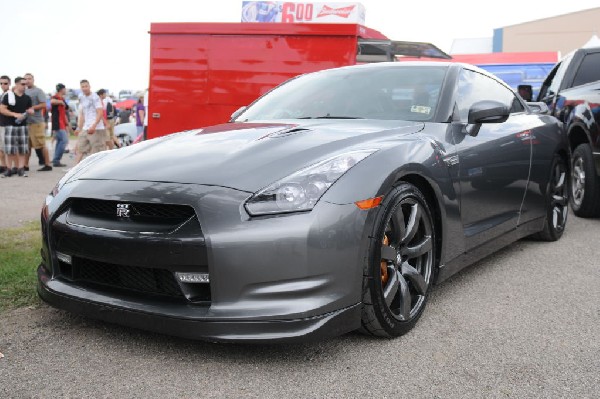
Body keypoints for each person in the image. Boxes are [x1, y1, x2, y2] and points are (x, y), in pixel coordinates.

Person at [0, 77, 33, 177]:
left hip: (22, 126)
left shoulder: (27, 98)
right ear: (17, 84)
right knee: (9, 150)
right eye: (22, 84)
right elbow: (2, 109)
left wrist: (31, 111)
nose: (25, 86)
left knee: (22, 149)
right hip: (9, 126)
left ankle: (20, 169)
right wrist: (15, 114)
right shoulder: (8, 96)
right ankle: (9, 169)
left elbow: (30, 108)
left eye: (26, 84)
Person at [73, 80, 106, 165]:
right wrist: (79, 128)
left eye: (86, 86)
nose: (84, 88)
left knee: (96, 151)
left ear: (89, 86)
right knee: (80, 148)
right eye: (82, 87)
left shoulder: (95, 97)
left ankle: (98, 169)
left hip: (96, 128)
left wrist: (94, 125)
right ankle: (75, 169)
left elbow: (100, 112)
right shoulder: (81, 97)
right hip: (86, 127)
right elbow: (82, 114)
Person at [24, 73, 52, 171]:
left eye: (29, 79)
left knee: (41, 144)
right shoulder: (24, 91)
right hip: (26, 122)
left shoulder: (38, 91)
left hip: (37, 122)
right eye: (25, 79)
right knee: (27, 145)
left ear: (33, 79)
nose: (27, 80)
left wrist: (32, 108)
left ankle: (47, 164)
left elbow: (44, 104)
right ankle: (25, 165)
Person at [49, 84, 70, 167]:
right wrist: (60, 102)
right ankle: (56, 160)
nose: (66, 90)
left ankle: (55, 159)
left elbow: (65, 110)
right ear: (61, 89)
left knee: (59, 141)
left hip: (62, 122)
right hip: (57, 122)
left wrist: (67, 123)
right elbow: (52, 101)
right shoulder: (56, 97)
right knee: (64, 140)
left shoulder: (62, 99)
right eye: (65, 89)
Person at [0, 75, 11, 174]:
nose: (3, 85)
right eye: (1, 83)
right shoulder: (2, 95)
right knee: (1, 148)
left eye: (5, 83)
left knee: (7, 148)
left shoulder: (11, 95)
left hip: (7, 124)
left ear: (9, 84)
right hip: (1, 124)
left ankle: (9, 167)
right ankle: (3, 166)